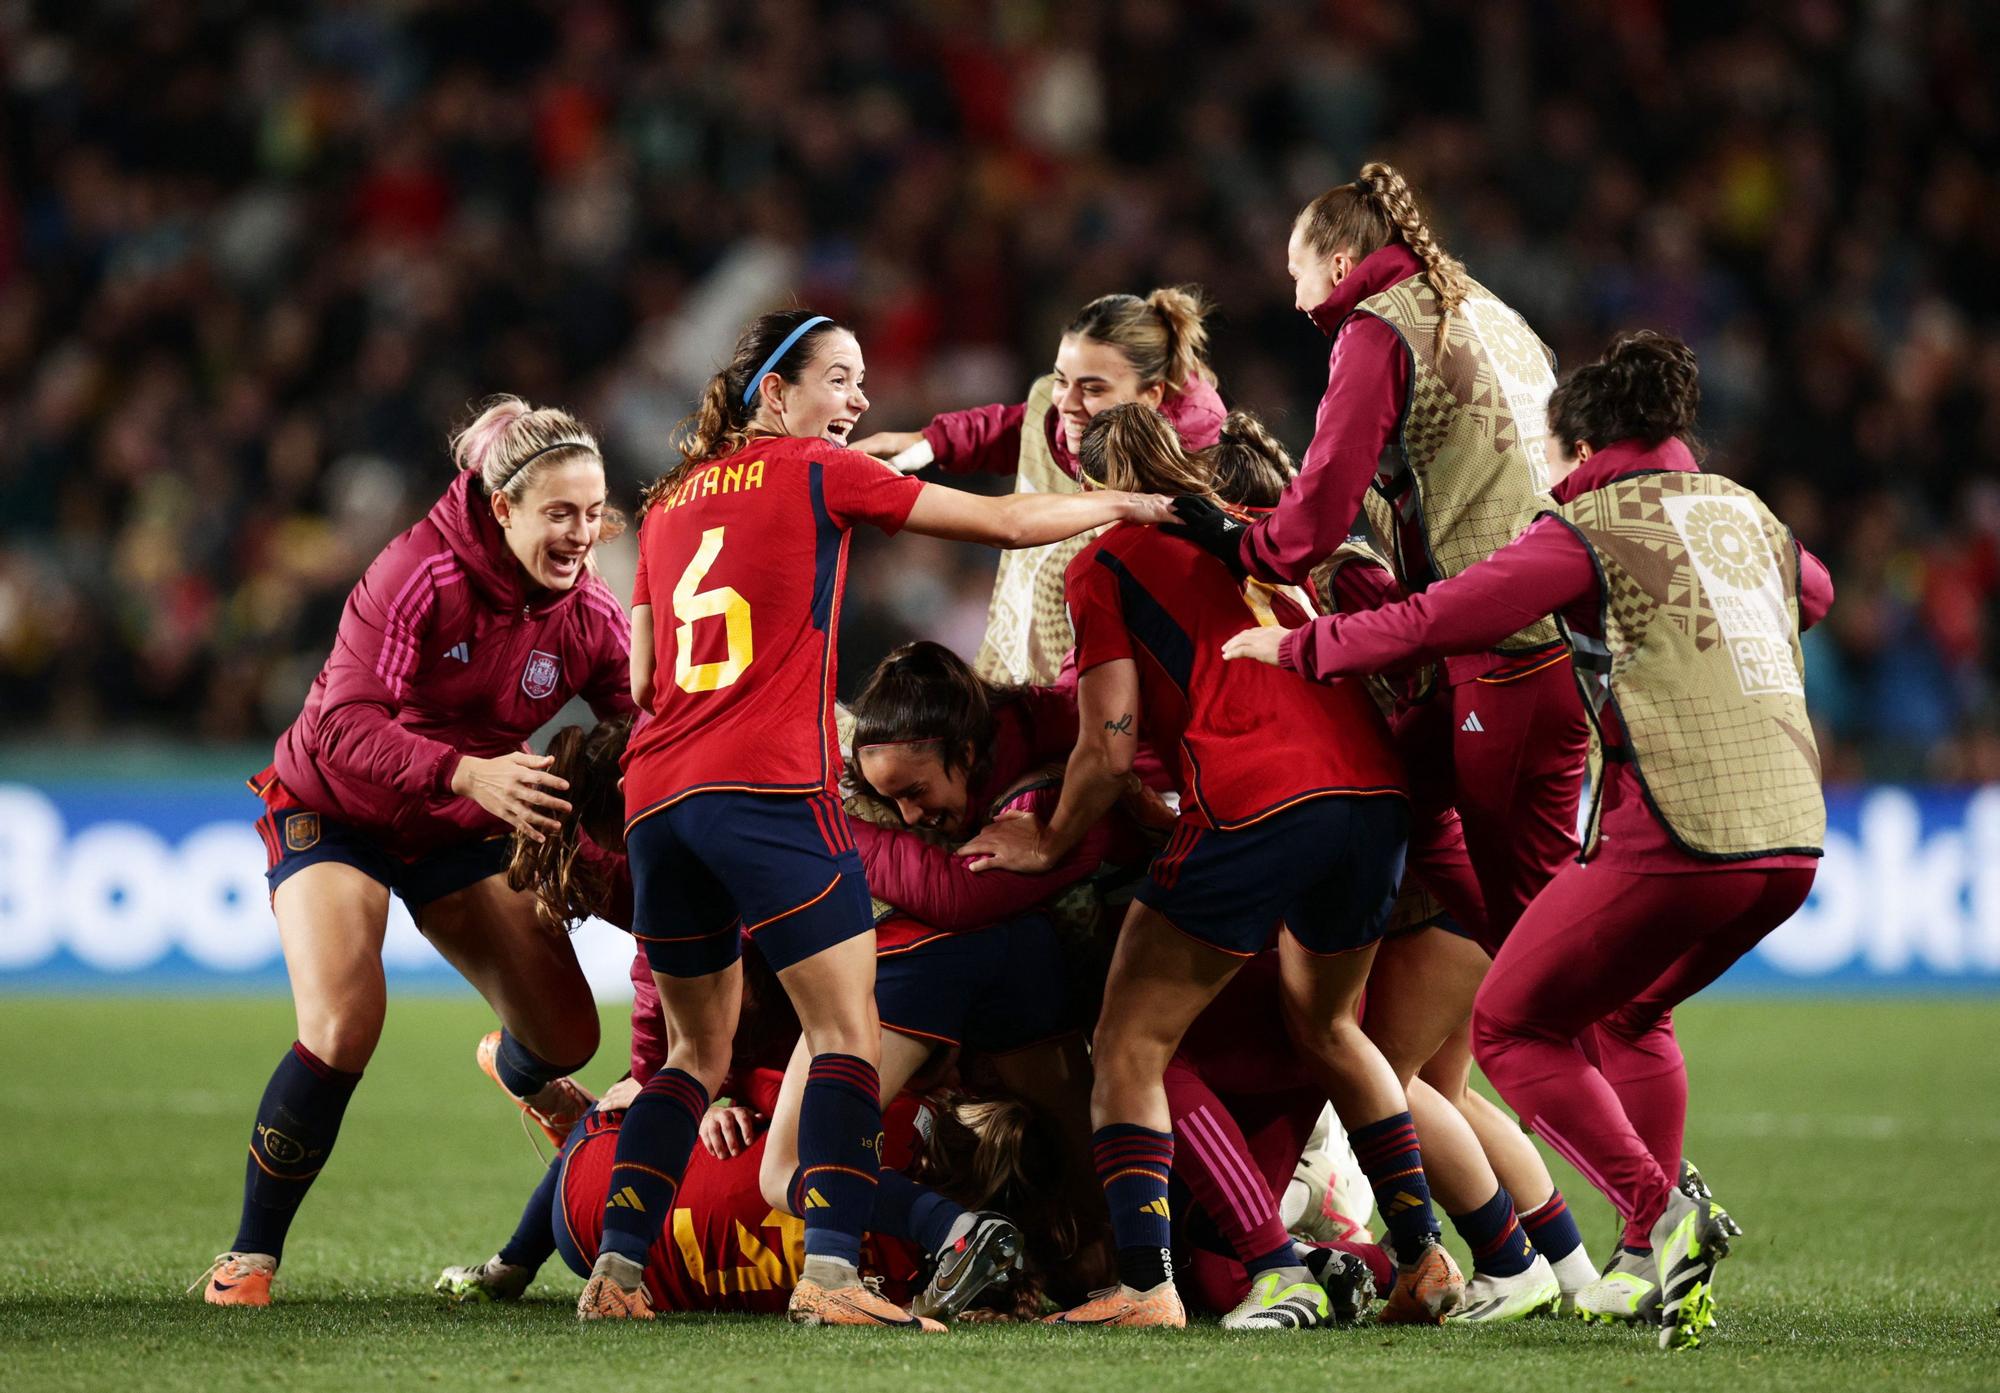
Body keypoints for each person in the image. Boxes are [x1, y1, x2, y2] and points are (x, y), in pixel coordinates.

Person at [1224, 332, 1832, 1350]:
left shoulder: (1581, 524)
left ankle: (1661, 1207)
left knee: (1510, 1025)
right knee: (1630, 1015)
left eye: (1545, 452)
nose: (1537, 471)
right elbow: (1807, 595)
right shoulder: (1745, 512)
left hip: (1681, 821)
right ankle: (1647, 1256)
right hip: (1794, 832)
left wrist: (1304, 644)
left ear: (1582, 443)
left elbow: (1444, 616)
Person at [586, 309, 1172, 1328]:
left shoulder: (670, 499)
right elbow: (997, 523)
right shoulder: (816, 471)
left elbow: (640, 675)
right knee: (847, 1029)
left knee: (688, 1056)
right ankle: (833, 1275)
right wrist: (1125, 501)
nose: (858, 401)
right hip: (761, 787)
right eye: (838, 379)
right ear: (775, 393)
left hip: (656, 796)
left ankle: (617, 1275)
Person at [964, 404, 1463, 1329]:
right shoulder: (1247, 541)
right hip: (1372, 798)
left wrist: (1049, 836)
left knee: (1127, 1043)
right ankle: (1425, 1254)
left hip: (1261, 804)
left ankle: (1146, 1287)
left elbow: (1109, 742)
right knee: (1326, 1025)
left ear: (1089, 482)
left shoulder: (1101, 560)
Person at [196, 398, 634, 1308]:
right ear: (503, 506)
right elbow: (346, 723)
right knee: (347, 1019)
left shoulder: (588, 613)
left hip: (453, 820)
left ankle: (520, 1076)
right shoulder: (417, 571)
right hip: (333, 805)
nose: (581, 536)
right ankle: (248, 1257)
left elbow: (640, 722)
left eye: (594, 515)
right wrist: (470, 775)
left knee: (567, 1037)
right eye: (560, 513)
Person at [1170, 162, 1587, 947]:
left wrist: (1241, 542)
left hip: (1506, 649)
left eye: (1295, 273)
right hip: (1555, 631)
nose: (1294, 299)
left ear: (1336, 264)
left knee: (1542, 958)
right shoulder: (1491, 311)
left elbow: (1320, 513)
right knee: (1387, 794)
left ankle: (1504, 1022)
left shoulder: (1378, 326)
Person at [853, 288, 1225, 684]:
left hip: (1122, 693)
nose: (1065, 402)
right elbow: (1021, 424)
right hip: (1026, 671)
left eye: (1094, 389)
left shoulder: (1194, 470)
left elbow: (1012, 525)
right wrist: (928, 442)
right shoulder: (1056, 409)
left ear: (1152, 394)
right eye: (1062, 379)